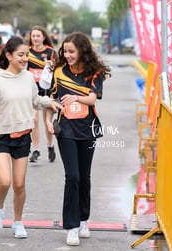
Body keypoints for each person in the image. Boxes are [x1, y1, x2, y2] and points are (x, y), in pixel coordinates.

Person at [0, 36, 63, 239]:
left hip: (22, 136)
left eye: (27, 55)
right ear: (9, 56)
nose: (25, 59)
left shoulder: (28, 77)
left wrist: (50, 102)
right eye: (20, 55)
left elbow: (35, 99)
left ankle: (18, 222)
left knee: (19, 184)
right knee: (4, 181)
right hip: (0, 137)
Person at [45, 32, 111, 246]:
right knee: (72, 176)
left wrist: (76, 97)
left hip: (88, 128)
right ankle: (71, 226)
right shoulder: (58, 72)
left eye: (72, 51)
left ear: (83, 50)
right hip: (66, 129)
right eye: (65, 51)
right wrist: (48, 120)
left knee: (84, 176)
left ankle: (83, 220)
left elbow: (92, 99)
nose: (68, 55)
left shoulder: (95, 72)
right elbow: (52, 99)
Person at [27, 26, 57, 163]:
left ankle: (50, 146)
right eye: (33, 36)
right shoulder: (27, 52)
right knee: (34, 119)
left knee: (47, 121)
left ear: (43, 37)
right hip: (32, 90)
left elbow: (58, 71)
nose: (35, 38)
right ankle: (36, 150)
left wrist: (51, 65)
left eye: (38, 36)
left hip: (47, 91)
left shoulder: (50, 52)